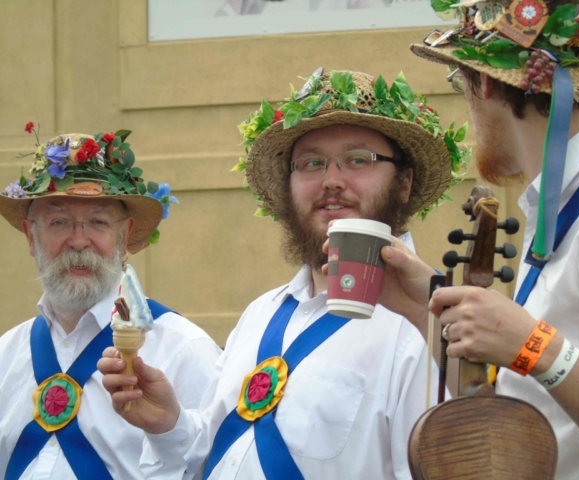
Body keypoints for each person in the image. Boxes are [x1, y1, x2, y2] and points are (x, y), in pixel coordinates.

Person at [97, 68, 467, 479]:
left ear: (404, 182)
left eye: (358, 160)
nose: (331, 180)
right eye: (310, 163)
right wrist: (169, 424)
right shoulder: (262, 312)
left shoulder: (431, 327)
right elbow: (212, 453)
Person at [369, 3, 579, 478]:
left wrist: (536, 347)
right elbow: (536, 403)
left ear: (488, 82)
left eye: (460, 80)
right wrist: (424, 304)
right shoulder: (571, 204)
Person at [0, 127, 222, 480]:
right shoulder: (6, 355)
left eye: (98, 222)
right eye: (58, 222)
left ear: (123, 237)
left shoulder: (184, 349)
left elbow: (222, 467)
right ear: (31, 235)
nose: (78, 240)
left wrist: (171, 429)